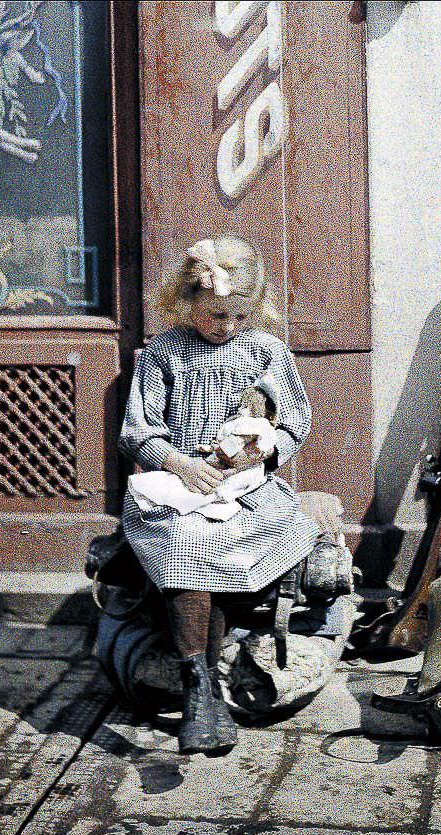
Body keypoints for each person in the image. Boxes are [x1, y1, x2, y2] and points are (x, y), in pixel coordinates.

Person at [118, 235, 321, 755]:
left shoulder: (265, 351)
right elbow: (137, 429)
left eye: (234, 316)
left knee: (236, 538)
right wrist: (181, 464)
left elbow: (296, 419)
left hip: (242, 482)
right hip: (176, 482)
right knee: (187, 539)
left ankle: (201, 686)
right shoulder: (162, 353)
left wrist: (260, 451)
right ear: (187, 303)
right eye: (211, 315)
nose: (223, 326)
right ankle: (199, 682)